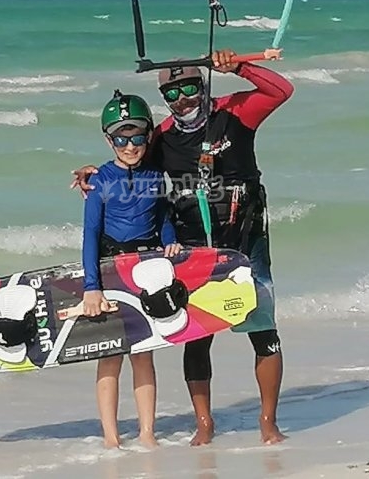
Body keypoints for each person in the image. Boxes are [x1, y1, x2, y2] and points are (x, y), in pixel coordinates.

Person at [72, 50, 295, 446]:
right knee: (196, 337)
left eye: (190, 87)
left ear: (204, 86)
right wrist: (95, 171)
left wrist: (238, 67)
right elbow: (128, 154)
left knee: (263, 332)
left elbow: (281, 90)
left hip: (245, 241)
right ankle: (205, 424)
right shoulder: (163, 137)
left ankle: (267, 422)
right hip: (192, 250)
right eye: (172, 93)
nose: (183, 99)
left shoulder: (234, 113)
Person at [82, 90, 181, 449]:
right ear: (109, 140)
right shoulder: (99, 181)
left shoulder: (156, 176)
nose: (130, 145)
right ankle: (111, 436)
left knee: (143, 353)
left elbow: (163, 216)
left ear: (149, 135)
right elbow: (90, 234)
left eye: (138, 136)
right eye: (121, 138)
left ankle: (147, 433)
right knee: (110, 356)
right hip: (110, 268)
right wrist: (91, 286)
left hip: (146, 265)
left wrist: (170, 241)